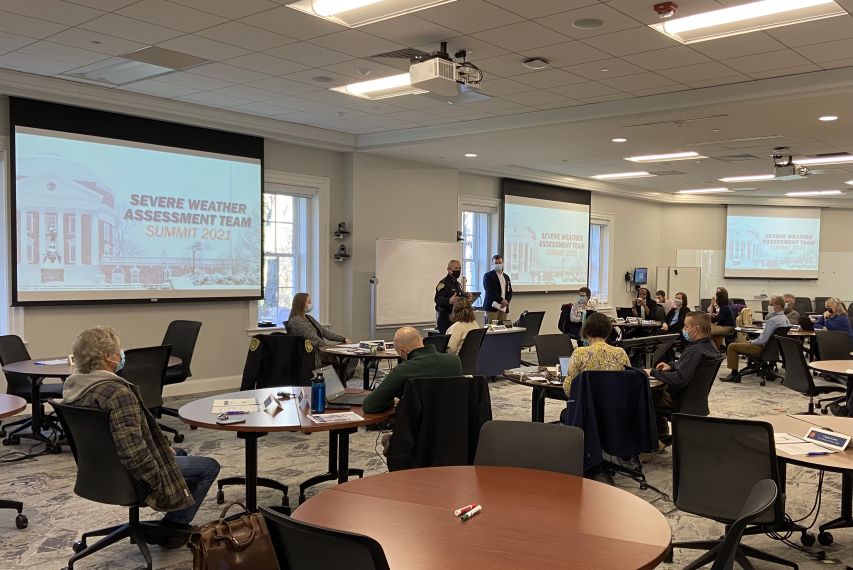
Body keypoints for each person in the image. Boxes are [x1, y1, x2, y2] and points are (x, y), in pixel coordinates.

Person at [61, 326, 220, 548]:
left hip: (98, 472)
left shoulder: (75, 386)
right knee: (209, 467)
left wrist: (165, 451)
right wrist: (161, 478)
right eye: (119, 351)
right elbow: (133, 453)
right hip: (128, 475)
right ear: (108, 357)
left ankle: (172, 520)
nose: (121, 355)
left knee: (180, 453)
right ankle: (173, 527)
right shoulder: (118, 394)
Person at [651, 312, 719, 443]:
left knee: (644, 395)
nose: (684, 330)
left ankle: (654, 439)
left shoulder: (694, 350)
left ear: (696, 329)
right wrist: (671, 366)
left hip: (680, 400)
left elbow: (679, 379)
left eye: (686, 326)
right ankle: (661, 434)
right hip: (695, 400)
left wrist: (653, 372)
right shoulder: (709, 346)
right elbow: (690, 366)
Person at [362, 326, 463, 414]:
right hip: (453, 428)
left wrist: (390, 400)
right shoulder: (454, 361)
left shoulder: (403, 370)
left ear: (403, 352)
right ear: (422, 340)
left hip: (415, 431)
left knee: (386, 437)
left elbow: (369, 405)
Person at [721, 295, 788, 383]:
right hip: (774, 350)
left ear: (778, 306)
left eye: (771, 304)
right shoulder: (785, 319)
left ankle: (734, 374)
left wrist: (752, 341)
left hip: (762, 349)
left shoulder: (773, 321)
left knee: (731, 346)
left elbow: (763, 340)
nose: (769, 307)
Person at [562, 313, 630, 398]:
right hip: (614, 407)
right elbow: (628, 383)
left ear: (586, 331)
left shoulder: (579, 353)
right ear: (608, 331)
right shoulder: (620, 353)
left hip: (586, 407)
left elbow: (568, 388)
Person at [286, 293, 353, 371]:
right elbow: (314, 340)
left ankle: (344, 374)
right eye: (309, 302)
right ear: (301, 304)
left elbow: (325, 332)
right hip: (315, 352)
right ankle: (343, 375)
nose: (311, 305)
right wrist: (331, 349)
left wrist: (343, 339)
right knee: (347, 354)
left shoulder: (308, 317)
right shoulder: (296, 320)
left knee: (351, 350)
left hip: (322, 348)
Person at [434, 259, 464, 334]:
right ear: (449, 270)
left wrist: (467, 298)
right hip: (446, 320)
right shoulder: (443, 283)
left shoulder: (457, 284)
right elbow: (437, 299)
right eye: (456, 268)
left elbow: (459, 297)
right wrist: (448, 301)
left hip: (457, 318)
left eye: (459, 268)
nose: (458, 270)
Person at [482, 254, 512, 323]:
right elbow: (489, 291)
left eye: (500, 263)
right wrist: (501, 300)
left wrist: (507, 301)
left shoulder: (506, 277)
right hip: (492, 307)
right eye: (496, 263)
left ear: (503, 263)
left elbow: (509, 291)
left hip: (503, 307)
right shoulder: (488, 276)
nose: (498, 264)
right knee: (491, 328)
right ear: (492, 264)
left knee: (503, 328)